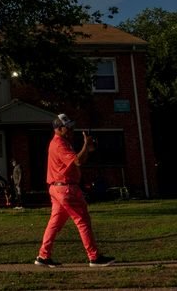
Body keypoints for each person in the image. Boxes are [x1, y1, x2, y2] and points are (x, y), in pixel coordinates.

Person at [34, 113, 115, 267]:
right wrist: (86, 144)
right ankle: (94, 257)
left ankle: (43, 256)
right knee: (83, 220)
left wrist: (88, 148)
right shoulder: (60, 144)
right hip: (67, 188)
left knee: (54, 223)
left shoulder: (59, 142)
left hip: (57, 189)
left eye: (71, 126)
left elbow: (79, 159)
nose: (71, 129)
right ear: (58, 128)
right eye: (67, 127)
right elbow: (78, 161)